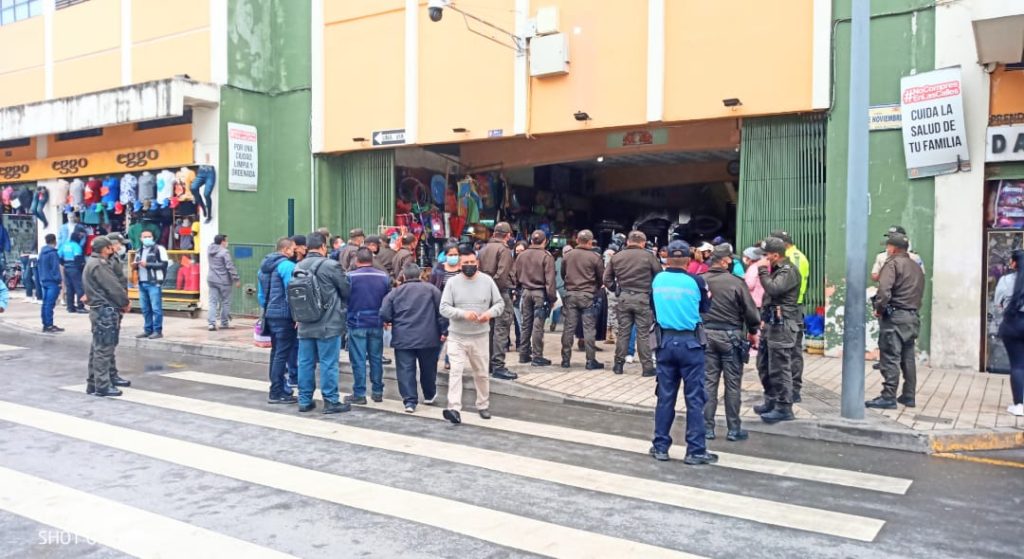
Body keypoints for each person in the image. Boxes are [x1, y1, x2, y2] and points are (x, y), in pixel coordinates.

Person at [649, 240, 716, 465]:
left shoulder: (658, 279)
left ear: (667, 259)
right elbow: (705, 309)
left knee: (665, 397)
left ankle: (660, 447)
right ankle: (695, 450)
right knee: (695, 398)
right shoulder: (696, 281)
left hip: (664, 343)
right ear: (689, 260)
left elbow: (652, 305)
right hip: (690, 345)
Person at [439, 246, 506, 423]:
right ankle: (453, 408)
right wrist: (463, 313)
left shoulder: (487, 281)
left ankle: (483, 404)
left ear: (477, 262)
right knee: (455, 372)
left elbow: (499, 304)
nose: (469, 265)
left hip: (480, 337)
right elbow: (444, 308)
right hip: (457, 337)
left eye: (472, 262)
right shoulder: (452, 283)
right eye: (465, 263)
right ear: (460, 265)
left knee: (482, 373)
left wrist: (489, 314)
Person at [701, 246, 760, 441]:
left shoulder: (701, 280)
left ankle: (707, 428)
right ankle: (734, 429)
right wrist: (753, 332)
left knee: (709, 382)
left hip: (706, 335)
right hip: (731, 336)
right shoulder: (736, 283)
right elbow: (751, 312)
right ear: (725, 261)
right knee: (733, 385)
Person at [294, 233, 352, 414]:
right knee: (328, 363)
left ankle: (304, 400)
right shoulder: (331, 266)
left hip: (304, 322)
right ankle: (331, 401)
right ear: (323, 246)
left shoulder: (298, 266)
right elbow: (346, 290)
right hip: (328, 323)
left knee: (305, 362)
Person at [866, 233, 926, 410]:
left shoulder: (892, 264)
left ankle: (888, 396)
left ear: (892, 248)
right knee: (908, 357)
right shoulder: (916, 266)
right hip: (912, 317)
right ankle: (908, 395)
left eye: (888, 246)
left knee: (890, 356)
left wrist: (879, 308)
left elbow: (884, 290)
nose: (887, 249)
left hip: (895, 318)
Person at [381, 263, 447, 413]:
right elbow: (442, 313)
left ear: (403, 276)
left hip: (403, 338)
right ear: (419, 275)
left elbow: (384, 313)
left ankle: (409, 401)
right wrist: (444, 331)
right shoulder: (432, 290)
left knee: (405, 370)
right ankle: (429, 394)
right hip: (429, 338)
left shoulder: (395, 292)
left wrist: (392, 320)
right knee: (428, 368)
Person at [754, 237, 802, 423]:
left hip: (783, 325)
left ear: (776, 255)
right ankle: (771, 400)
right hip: (771, 324)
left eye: (766, 255)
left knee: (780, 367)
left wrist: (762, 270)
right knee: (764, 365)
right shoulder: (776, 270)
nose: (763, 259)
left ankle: (784, 406)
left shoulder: (788, 271)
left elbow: (774, 290)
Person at [604, 230, 662, 376]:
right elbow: (659, 276)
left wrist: (615, 289)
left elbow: (607, 279)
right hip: (643, 297)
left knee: (623, 332)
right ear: (643, 242)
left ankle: (618, 365)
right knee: (643, 334)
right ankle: (647, 368)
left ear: (628, 241)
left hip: (623, 297)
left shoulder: (617, 257)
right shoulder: (649, 257)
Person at [82, 237, 131, 397]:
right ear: (105, 249)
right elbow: (113, 287)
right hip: (105, 309)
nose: (112, 249)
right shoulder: (99, 265)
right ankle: (102, 385)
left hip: (100, 309)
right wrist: (124, 302)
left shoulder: (93, 262)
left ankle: (94, 382)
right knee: (103, 348)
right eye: (110, 247)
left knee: (98, 347)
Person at [346, 247, 391, 404]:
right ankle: (377, 391)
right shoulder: (383, 277)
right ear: (372, 260)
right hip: (377, 322)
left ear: (357, 260)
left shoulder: (350, 277)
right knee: (376, 358)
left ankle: (359, 393)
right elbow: (387, 301)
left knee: (358, 359)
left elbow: (345, 299)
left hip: (356, 322)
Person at [258, 237, 298, 404]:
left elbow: (261, 295)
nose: (295, 251)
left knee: (276, 353)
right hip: (284, 315)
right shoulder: (287, 266)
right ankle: (277, 392)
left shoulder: (264, 267)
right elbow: (293, 292)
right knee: (282, 354)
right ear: (286, 249)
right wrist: (297, 315)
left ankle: (277, 388)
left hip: (270, 315)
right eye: (293, 248)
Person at [771, 229, 810, 401]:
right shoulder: (795, 256)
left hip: (792, 308)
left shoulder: (793, 259)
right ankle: (789, 389)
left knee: (791, 351)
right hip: (792, 307)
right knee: (790, 350)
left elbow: (786, 286)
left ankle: (793, 389)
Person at [560, 229, 605, 370]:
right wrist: (594, 288)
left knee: (568, 328)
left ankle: (565, 360)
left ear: (577, 240)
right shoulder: (595, 257)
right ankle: (590, 360)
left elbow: (563, 273)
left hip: (571, 294)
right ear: (591, 242)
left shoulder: (568, 256)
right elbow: (601, 278)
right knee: (589, 329)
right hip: (588, 295)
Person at [478, 222, 517, 380]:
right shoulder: (504, 250)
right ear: (507, 235)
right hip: (499, 293)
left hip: (484, 293)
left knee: (489, 329)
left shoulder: (483, 250)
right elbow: (502, 275)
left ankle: (487, 364)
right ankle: (498, 365)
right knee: (501, 328)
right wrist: (494, 290)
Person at [514, 230, 557, 367]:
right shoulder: (547, 256)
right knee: (537, 327)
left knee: (526, 324)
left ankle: (523, 354)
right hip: (540, 294)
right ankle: (537, 356)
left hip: (525, 292)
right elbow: (550, 280)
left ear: (531, 240)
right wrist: (552, 298)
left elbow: (515, 275)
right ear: (545, 241)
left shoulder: (522, 255)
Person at [997, 249, 1024, 417]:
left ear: (1014, 263)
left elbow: (998, 303)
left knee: (1018, 365)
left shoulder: (1005, 280)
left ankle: (1019, 404)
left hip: (1012, 324)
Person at [132, 229, 168, 339]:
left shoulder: (159, 249)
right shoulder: (139, 251)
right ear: (141, 239)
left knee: (156, 308)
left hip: (154, 283)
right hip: (142, 283)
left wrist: (148, 264)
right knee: (145, 308)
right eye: (145, 237)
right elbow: (136, 264)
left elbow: (164, 264)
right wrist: (135, 265)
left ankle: (158, 331)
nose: (147, 238)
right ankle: (148, 330)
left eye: (149, 236)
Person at [207, 234, 241, 331]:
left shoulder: (209, 249)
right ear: (222, 242)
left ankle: (211, 324)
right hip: (223, 281)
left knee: (212, 302)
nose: (227, 243)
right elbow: (230, 266)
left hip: (211, 279)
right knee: (225, 302)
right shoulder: (224, 252)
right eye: (226, 241)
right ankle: (224, 322)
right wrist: (236, 279)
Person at [36, 234, 64, 333]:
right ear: (55, 241)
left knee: (45, 303)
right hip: (52, 281)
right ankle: (49, 324)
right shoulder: (53, 253)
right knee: (50, 304)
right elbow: (55, 269)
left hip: (44, 280)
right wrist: (59, 281)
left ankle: (46, 324)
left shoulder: (42, 253)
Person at [58, 229, 86, 314]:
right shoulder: (76, 246)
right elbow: (78, 258)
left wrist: (64, 264)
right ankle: (80, 306)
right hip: (75, 268)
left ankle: (70, 307)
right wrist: (81, 268)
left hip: (66, 267)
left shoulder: (65, 245)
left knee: (69, 288)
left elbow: (59, 257)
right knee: (79, 287)